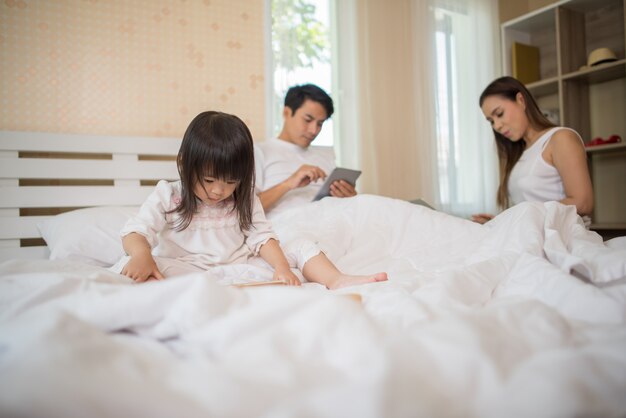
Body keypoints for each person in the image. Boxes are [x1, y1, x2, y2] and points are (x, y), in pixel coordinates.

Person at [112, 111, 387, 289]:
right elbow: (136, 231)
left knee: (300, 245)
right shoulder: (169, 194)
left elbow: (261, 237)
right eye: (209, 181)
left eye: (231, 182)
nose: (219, 191)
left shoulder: (244, 198)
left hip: (238, 265)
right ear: (184, 164)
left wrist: (280, 267)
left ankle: (336, 280)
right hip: (186, 266)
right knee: (141, 268)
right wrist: (140, 254)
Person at [471, 76, 593, 224]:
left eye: (499, 114)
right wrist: (500, 222)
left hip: (563, 238)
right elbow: (525, 213)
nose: (496, 126)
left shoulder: (560, 138)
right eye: (491, 121)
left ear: (521, 100)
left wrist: (514, 218)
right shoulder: (519, 153)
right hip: (532, 238)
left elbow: (583, 202)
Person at [255, 84, 357, 214]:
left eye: (320, 123)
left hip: (332, 219)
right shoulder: (260, 151)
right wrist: (288, 184)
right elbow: (244, 210)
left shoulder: (326, 154)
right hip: (290, 225)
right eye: (308, 120)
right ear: (286, 113)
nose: (314, 130)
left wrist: (350, 197)